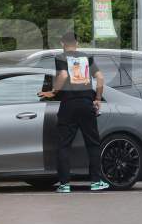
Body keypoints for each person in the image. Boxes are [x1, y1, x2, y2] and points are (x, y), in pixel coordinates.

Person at [38, 32, 109, 193]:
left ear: (62, 43)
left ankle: (64, 184)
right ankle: (96, 182)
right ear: (77, 43)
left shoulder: (61, 57)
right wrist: (97, 99)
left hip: (68, 105)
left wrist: (54, 91)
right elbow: (100, 78)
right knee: (92, 143)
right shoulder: (86, 57)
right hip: (86, 103)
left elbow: (63, 75)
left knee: (64, 145)